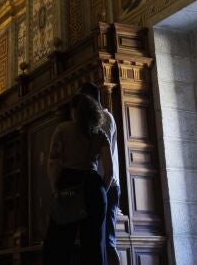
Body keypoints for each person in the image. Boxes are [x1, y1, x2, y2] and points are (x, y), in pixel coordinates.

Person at [42, 93, 115, 265]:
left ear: (74, 111)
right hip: (94, 187)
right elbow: (109, 172)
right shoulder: (100, 134)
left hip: (69, 185)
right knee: (94, 248)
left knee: (57, 247)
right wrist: (100, 191)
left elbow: (53, 162)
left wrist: (55, 189)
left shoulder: (62, 129)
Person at [80, 83, 122, 265]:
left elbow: (99, 153)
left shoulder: (103, 118)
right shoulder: (104, 117)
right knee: (103, 241)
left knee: (108, 242)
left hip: (107, 184)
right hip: (106, 184)